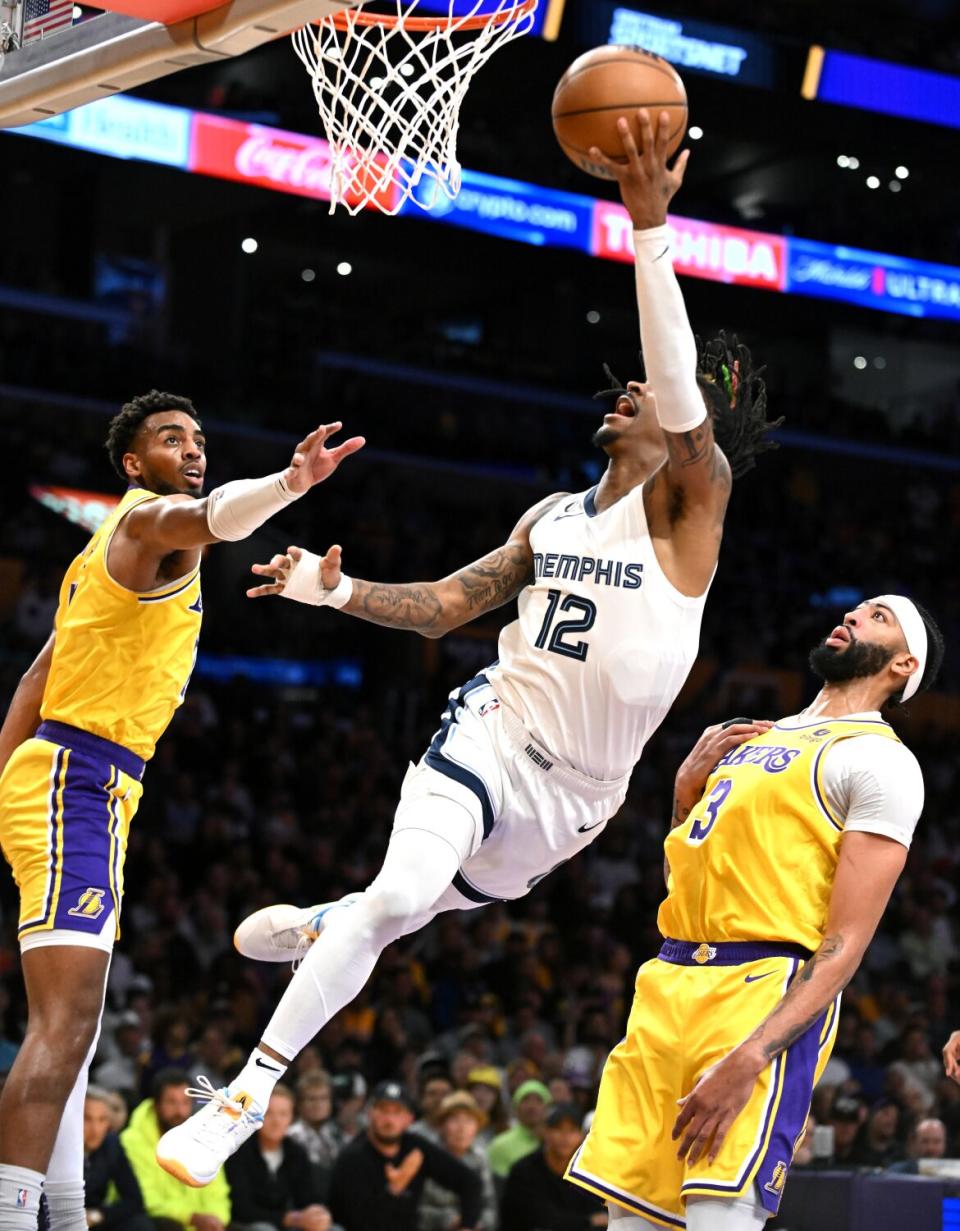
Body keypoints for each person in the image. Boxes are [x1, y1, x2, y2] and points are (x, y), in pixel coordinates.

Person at [159, 108, 780, 1184]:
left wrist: (650, 231)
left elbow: (677, 383)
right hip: (490, 735)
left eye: (641, 395)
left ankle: (333, 922)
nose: (625, 392)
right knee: (404, 901)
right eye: (622, 391)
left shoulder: (690, 506)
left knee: (398, 908)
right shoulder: (551, 519)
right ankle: (246, 1092)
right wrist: (334, 589)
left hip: (577, 805)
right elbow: (452, 605)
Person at [0, 386, 362, 1231]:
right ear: (135, 463)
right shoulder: (141, 524)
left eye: (199, 436)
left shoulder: (99, 560)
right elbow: (217, 517)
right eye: (171, 438)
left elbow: (31, 680)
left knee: (76, 1029)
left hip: (84, 781)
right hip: (77, 778)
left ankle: (63, 1209)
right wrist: (289, 483)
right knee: (65, 1024)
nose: (192, 447)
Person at [566, 591, 943, 1229]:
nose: (853, 614)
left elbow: (845, 944)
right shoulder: (750, 740)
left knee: (720, 1216)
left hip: (760, 992)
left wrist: (752, 1055)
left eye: (878, 615)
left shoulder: (880, 760)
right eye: (857, 608)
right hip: (668, 983)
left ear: (903, 665)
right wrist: (683, 800)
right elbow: (682, 886)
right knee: (630, 1220)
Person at [325, 1081, 482, 1231]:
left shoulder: (414, 1147)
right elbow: (362, 1225)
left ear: (409, 1119)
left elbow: (470, 1182)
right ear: (369, 1113)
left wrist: (467, 1225)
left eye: (397, 1112)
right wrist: (394, 1190)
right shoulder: (352, 1158)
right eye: (383, 1110)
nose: (389, 1119)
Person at [121, 1069, 231, 1229]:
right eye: (171, 1102)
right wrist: (191, 1217)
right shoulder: (132, 1141)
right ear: (156, 1104)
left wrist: (217, 1219)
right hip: (155, 1222)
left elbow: (218, 1193)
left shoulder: (205, 1138)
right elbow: (146, 1198)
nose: (179, 1111)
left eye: (185, 1102)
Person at [225, 1085, 332, 1231]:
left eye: (283, 1114)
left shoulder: (297, 1153)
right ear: (256, 1115)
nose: (276, 1122)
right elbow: (241, 1208)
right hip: (248, 1225)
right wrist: (287, 1219)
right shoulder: (240, 1152)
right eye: (269, 1114)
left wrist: (317, 1215)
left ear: (292, 1118)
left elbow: (308, 1198)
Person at [501, 1104, 606, 1231]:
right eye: (558, 1129)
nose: (565, 1137)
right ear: (545, 1132)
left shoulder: (587, 1171)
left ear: (581, 1136)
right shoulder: (524, 1170)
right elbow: (541, 1219)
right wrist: (588, 1221)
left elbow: (601, 1216)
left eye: (572, 1130)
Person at [418, 1092, 498, 1231]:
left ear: (476, 1128)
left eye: (469, 1121)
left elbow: (490, 1209)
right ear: (441, 1126)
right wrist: (449, 1220)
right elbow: (415, 1209)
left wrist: (477, 1224)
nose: (462, 1128)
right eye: (454, 1119)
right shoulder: (426, 1157)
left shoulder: (480, 1159)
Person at [82, 1085, 151, 1231]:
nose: (95, 1129)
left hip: (92, 1219)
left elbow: (134, 1200)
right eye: (87, 1119)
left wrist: (97, 1215)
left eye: (102, 1120)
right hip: (57, 1219)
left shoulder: (111, 1144)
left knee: (140, 1224)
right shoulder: (57, 1148)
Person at [487, 1081, 552, 1181]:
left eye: (539, 1100)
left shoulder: (557, 1144)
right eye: (526, 1100)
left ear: (548, 1108)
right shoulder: (500, 1145)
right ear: (515, 1108)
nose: (532, 1106)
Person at [287, 1072, 340, 1171]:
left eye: (324, 1098)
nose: (318, 1105)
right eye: (312, 1099)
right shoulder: (290, 1137)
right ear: (299, 1104)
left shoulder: (336, 1133)